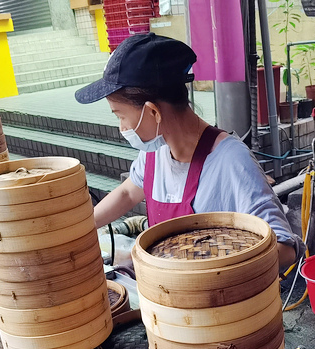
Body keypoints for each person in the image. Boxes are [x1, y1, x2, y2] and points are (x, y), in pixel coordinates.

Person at [75, 33, 302, 269]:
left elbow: (284, 250)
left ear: (153, 112)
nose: (121, 127)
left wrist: (210, 272)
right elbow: (127, 193)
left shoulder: (231, 161)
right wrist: (77, 228)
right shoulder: (155, 154)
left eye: (120, 115)